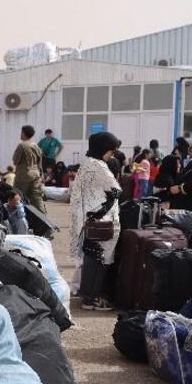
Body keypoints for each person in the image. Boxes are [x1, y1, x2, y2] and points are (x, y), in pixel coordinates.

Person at [69, 131, 122, 311]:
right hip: (101, 219)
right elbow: (115, 191)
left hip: (91, 218)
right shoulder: (98, 165)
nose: (112, 156)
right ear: (102, 149)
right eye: (111, 151)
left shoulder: (87, 163)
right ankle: (92, 299)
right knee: (99, 260)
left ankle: (88, 297)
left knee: (92, 258)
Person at [13, 125, 46, 212]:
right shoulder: (36, 146)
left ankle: (19, 218)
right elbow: (40, 162)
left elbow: (15, 161)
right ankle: (44, 219)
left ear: (23, 133)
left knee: (18, 197)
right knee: (37, 199)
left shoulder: (22, 145)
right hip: (36, 174)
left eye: (21, 132)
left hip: (23, 175)